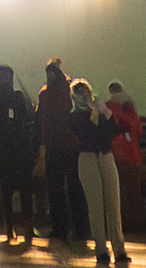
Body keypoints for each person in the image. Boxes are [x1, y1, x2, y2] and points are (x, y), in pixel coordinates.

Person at [73, 79, 130, 265]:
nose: (85, 96)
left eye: (86, 92)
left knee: (113, 204)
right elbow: (88, 135)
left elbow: (113, 132)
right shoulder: (73, 116)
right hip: (88, 158)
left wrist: (106, 113)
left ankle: (119, 249)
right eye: (80, 93)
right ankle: (101, 250)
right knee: (95, 206)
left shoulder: (100, 111)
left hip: (106, 156)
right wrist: (97, 116)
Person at [0, 63, 40, 247]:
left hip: (13, 149)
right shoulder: (5, 97)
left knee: (19, 191)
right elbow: (29, 114)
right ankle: (17, 229)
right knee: (13, 192)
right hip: (11, 148)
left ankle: (20, 229)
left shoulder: (10, 96)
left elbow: (28, 114)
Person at [39, 59, 87, 245]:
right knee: (75, 188)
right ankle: (81, 228)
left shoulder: (46, 93)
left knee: (56, 189)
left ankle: (60, 228)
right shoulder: (69, 90)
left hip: (56, 146)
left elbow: (42, 120)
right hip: (72, 146)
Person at [105, 83, 145, 235]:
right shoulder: (130, 108)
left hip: (116, 155)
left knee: (118, 191)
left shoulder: (108, 107)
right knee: (133, 191)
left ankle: (119, 223)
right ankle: (135, 222)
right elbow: (139, 130)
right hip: (132, 155)